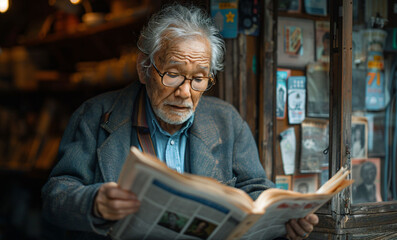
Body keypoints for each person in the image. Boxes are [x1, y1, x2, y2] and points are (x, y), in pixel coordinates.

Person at [42, 4, 318, 240]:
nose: (185, 92)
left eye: (198, 79)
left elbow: (255, 190)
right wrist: (94, 203)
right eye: (173, 74)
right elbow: (55, 196)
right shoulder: (95, 115)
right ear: (144, 68)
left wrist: (288, 218)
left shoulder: (227, 121)